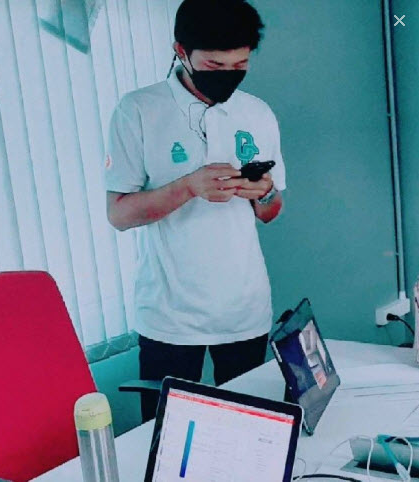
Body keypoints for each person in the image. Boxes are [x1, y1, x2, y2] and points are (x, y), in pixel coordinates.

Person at [105, 0, 286, 422]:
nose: (229, 75)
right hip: (169, 317)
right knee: (167, 437)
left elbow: (272, 211)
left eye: (240, 65)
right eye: (215, 66)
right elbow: (119, 214)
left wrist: (262, 192)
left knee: (247, 434)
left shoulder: (257, 112)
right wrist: (188, 187)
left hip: (245, 310)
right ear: (181, 51)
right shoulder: (138, 110)